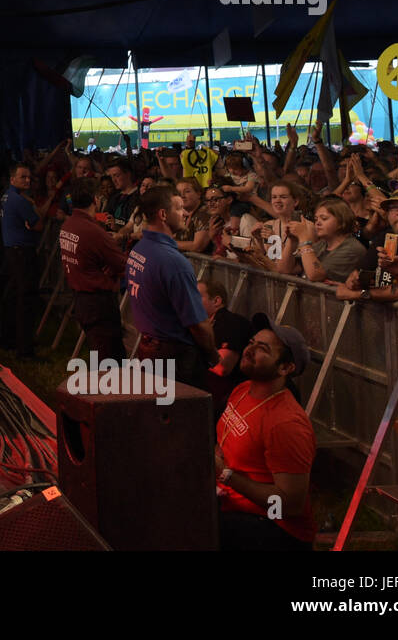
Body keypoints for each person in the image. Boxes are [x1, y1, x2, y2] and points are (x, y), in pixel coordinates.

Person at [215, 326, 316, 551]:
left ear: (285, 368)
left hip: (274, 528)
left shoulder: (286, 424)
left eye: (262, 349)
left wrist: (225, 474)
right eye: (251, 342)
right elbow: (224, 445)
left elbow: (289, 506)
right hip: (229, 504)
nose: (249, 350)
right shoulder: (242, 389)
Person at [124, 185, 218, 390]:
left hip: (150, 349)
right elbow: (197, 323)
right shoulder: (173, 262)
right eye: (179, 208)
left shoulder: (139, 250)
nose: (185, 213)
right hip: (175, 359)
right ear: (163, 214)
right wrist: (212, 353)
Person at [334, 177, 398, 305]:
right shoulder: (385, 238)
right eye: (394, 207)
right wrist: (354, 281)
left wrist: (360, 294)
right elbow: (359, 274)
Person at [59, 178, 127, 360]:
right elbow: (122, 264)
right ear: (95, 199)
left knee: (100, 353)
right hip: (99, 303)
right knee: (109, 358)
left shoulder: (68, 225)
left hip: (83, 299)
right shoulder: (93, 231)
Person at [0, 163, 44, 356]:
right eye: (23, 177)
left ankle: (8, 340)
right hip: (23, 252)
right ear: (12, 179)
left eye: (29, 177)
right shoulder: (20, 201)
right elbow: (38, 225)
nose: (27, 180)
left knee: (12, 296)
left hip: (11, 250)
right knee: (26, 300)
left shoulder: (7, 196)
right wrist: (34, 208)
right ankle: (25, 349)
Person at [198, 278, 259, 413]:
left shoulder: (231, 322)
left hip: (233, 401)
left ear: (216, 301)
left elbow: (222, 367)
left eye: (197, 296)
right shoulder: (204, 324)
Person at [282, 195, 367, 284]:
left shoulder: (352, 249)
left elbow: (315, 275)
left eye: (324, 218)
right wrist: (292, 241)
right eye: (316, 219)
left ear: (341, 222)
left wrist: (303, 238)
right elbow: (285, 269)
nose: (317, 223)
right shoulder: (321, 245)